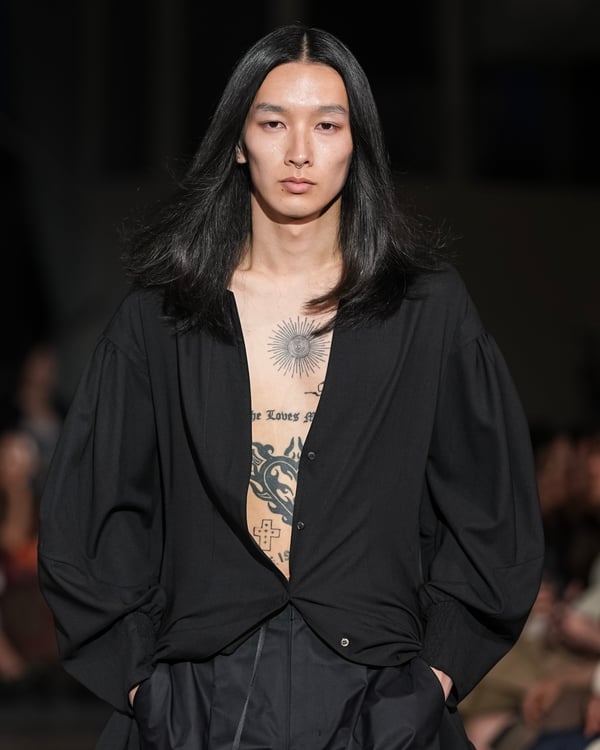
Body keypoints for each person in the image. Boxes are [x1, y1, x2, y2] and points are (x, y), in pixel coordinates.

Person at [37, 23, 545, 750]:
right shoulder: (166, 312)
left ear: (357, 143)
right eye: (274, 122)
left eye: (327, 125)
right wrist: (144, 685)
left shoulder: (426, 309)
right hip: (201, 694)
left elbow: (492, 505)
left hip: (379, 692)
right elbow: (92, 505)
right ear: (239, 141)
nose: (300, 150)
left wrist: (435, 674)